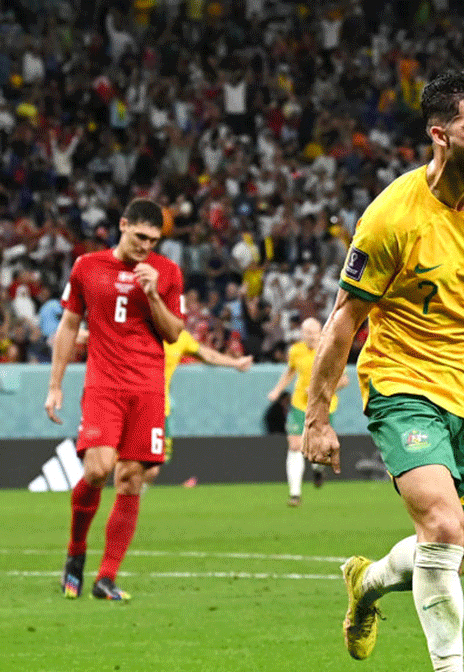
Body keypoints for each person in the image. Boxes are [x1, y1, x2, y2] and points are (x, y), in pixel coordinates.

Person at [300, 69, 464, 672]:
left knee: (450, 553)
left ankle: (368, 581)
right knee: (439, 520)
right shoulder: (392, 216)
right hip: (402, 384)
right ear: (441, 136)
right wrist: (317, 418)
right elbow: (345, 319)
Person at [43, 199, 185, 601]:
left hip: (147, 388)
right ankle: (75, 551)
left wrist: (154, 295)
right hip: (104, 384)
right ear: (122, 225)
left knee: (132, 477)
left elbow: (174, 333)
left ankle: (106, 577)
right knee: (97, 469)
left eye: (153, 240)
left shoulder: (168, 273)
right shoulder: (87, 267)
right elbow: (70, 324)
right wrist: (55, 385)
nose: (145, 246)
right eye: (140, 236)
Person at [143, 326, 253, 485]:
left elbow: (206, 354)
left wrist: (235, 363)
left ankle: (128, 507)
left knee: (152, 468)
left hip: (159, 409)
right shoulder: (138, 328)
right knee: (119, 463)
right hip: (128, 405)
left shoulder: (180, 337)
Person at [267, 317, 348, 506]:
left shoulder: (331, 349)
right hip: (299, 404)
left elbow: (343, 381)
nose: (310, 336)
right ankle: (295, 494)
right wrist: (277, 390)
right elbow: (290, 371)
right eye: (306, 333)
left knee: (318, 448)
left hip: (323, 406)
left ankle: (318, 469)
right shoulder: (296, 350)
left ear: (320, 331)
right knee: (295, 445)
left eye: (313, 332)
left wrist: (320, 390)